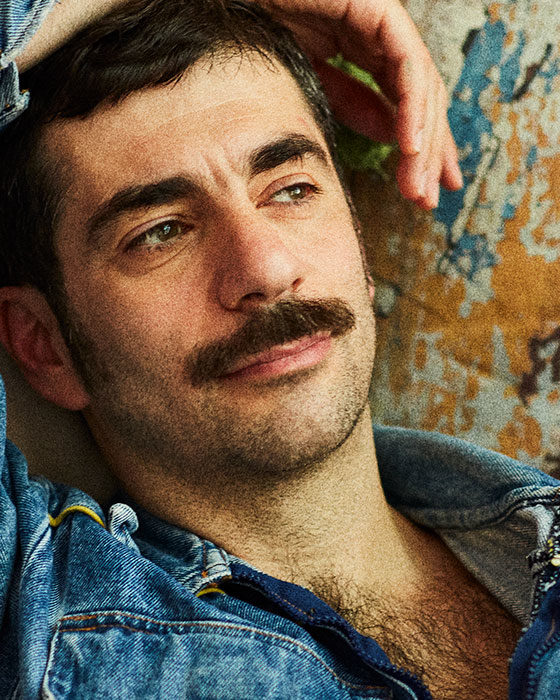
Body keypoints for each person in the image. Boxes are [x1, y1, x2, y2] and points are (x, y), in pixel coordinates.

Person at [0, 1, 558, 698]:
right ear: (44, 344)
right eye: (161, 232)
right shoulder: (33, 609)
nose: (265, 267)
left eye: (292, 190)